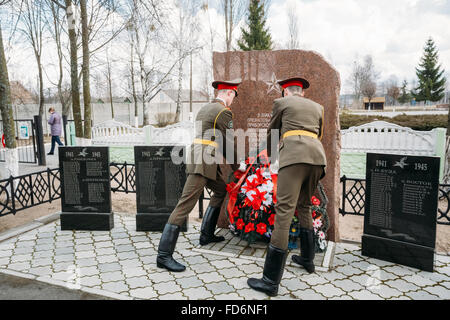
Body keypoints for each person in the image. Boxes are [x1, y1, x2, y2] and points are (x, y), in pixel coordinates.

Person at [247, 77, 327, 296]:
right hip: (317, 160)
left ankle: (270, 282)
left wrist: (270, 160)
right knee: (304, 206)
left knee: (284, 212)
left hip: (293, 157)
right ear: (301, 92)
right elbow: (318, 134)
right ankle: (307, 260)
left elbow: (273, 132)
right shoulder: (318, 107)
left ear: (285, 92)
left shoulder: (281, 103)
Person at [157, 79, 242, 272]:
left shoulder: (205, 109)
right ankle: (163, 255)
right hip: (204, 160)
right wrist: (238, 165)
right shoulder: (224, 112)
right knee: (185, 204)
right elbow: (227, 143)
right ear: (229, 93)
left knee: (221, 189)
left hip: (203, 157)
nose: (232, 101)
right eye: (233, 96)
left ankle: (206, 234)